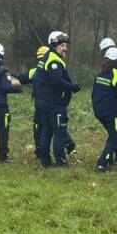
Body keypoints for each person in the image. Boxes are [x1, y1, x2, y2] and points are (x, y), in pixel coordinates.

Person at [33, 31, 80, 167]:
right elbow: (56, 80)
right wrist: (72, 87)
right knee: (60, 133)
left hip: (42, 102)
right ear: (54, 45)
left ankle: (45, 161)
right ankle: (61, 162)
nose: (65, 48)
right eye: (62, 45)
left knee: (46, 132)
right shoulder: (54, 60)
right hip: (53, 103)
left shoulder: (46, 57)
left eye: (65, 45)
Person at [92, 46, 117, 172]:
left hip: (98, 110)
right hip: (110, 112)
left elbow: (94, 93)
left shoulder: (99, 75)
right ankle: (102, 163)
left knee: (115, 133)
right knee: (115, 136)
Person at [18, 45, 49, 158]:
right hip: (51, 105)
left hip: (41, 105)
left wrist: (8, 75)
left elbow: (21, 78)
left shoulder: (34, 71)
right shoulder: (55, 69)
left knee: (39, 128)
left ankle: (40, 151)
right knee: (54, 129)